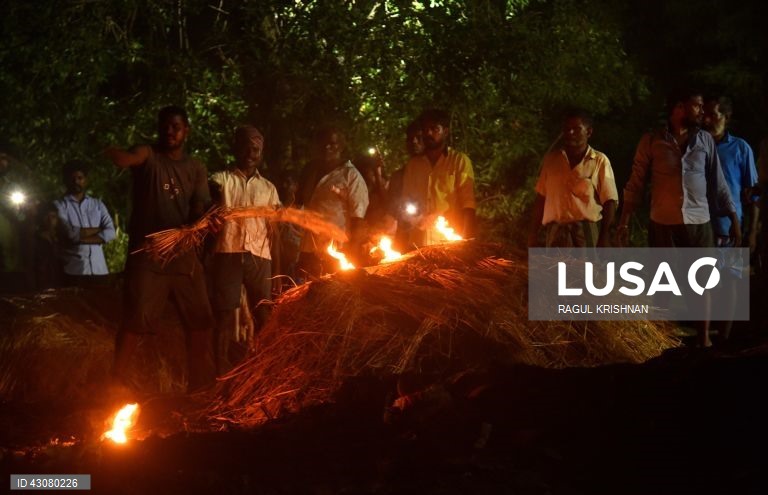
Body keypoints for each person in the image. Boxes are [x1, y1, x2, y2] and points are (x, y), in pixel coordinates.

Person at [617, 88, 740, 347]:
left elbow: (717, 182)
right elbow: (636, 182)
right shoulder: (652, 141)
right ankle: (660, 341)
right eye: (696, 106)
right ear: (679, 108)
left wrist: (734, 218)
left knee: (702, 282)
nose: (702, 111)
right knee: (663, 283)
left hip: (698, 222)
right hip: (663, 222)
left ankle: (704, 341)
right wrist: (624, 221)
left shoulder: (704, 140)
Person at [105, 105, 215, 394]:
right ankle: (116, 381)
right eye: (165, 126)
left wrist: (197, 225)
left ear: (186, 131)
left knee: (201, 319)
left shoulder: (195, 167)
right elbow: (131, 158)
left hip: (183, 254)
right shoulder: (149, 156)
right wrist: (120, 156)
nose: (169, 131)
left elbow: (198, 206)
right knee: (136, 318)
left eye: (175, 127)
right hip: (149, 254)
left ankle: (199, 384)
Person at [208, 126, 280, 374]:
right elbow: (208, 207)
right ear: (236, 148)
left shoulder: (269, 188)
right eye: (246, 147)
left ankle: (267, 366)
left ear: (261, 153)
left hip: (260, 255)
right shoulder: (220, 180)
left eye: (256, 149)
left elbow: (274, 232)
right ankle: (220, 370)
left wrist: (278, 269)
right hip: (228, 252)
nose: (251, 153)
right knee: (225, 314)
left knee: (264, 313)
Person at [702, 96, 758, 342]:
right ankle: (704, 337)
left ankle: (724, 338)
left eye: (715, 114)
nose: (709, 119)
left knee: (731, 282)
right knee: (703, 282)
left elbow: (752, 192)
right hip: (702, 225)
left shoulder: (740, 148)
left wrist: (752, 230)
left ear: (726, 117)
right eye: (707, 114)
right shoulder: (697, 145)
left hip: (730, 227)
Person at [528, 109, 618, 248]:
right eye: (567, 129)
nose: (570, 133)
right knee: (556, 270)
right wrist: (533, 234)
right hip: (555, 234)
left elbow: (609, 201)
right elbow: (541, 198)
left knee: (587, 270)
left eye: (576, 129)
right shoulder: (552, 161)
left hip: (586, 235)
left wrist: (605, 236)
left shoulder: (599, 161)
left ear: (588, 132)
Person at [297, 126, 369, 277]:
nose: (327, 147)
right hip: (308, 248)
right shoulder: (309, 171)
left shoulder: (351, 175)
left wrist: (351, 253)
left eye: (332, 143)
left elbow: (358, 218)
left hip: (336, 250)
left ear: (341, 146)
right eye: (322, 143)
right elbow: (299, 205)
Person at [399, 109, 476, 249]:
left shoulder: (459, 161)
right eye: (426, 129)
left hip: (449, 244)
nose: (429, 133)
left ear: (445, 131)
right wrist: (416, 219)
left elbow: (468, 205)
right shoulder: (413, 166)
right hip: (418, 245)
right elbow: (405, 201)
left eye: (434, 129)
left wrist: (466, 242)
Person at [54, 160, 116, 283]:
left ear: (85, 180)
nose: (76, 181)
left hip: (100, 270)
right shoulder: (59, 205)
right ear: (65, 180)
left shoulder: (97, 204)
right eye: (72, 178)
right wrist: (99, 230)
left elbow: (111, 232)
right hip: (74, 272)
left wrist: (80, 239)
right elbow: (70, 234)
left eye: (80, 178)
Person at [390, 120, 424, 251]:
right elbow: (391, 210)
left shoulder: (439, 172)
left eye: (419, 138)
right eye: (410, 139)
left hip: (433, 240)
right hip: (404, 239)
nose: (414, 142)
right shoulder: (398, 176)